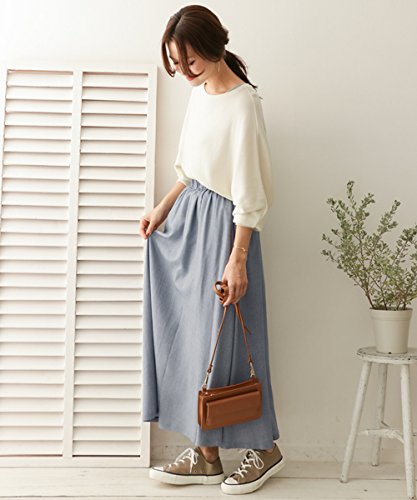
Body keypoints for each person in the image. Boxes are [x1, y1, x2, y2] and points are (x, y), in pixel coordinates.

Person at [139, 4, 285, 495]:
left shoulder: (244, 105)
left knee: (231, 342)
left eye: (190, 61)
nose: (184, 72)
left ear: (213, 47)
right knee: (192, 341)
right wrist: (162, 208)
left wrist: (238, 257)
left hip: (225, 232)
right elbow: (188, 169)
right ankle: (207, 456)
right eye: (176, 64)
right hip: (187, 226)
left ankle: (265, 448)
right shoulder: (199, 95)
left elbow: (252, 193)